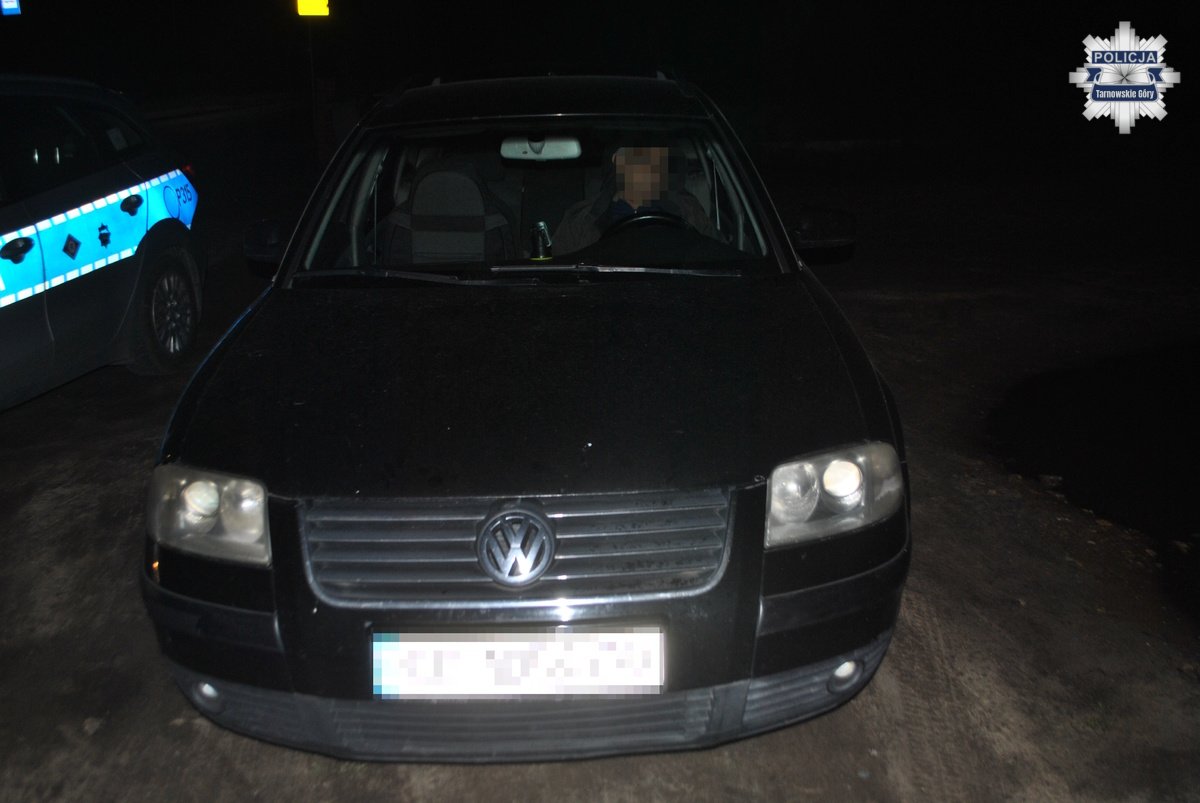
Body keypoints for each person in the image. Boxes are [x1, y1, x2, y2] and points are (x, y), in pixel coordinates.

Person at [552, 145, 716, 254]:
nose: (646, 167)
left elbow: (716, 258)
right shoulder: (581, 220)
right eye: (637, 158)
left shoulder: (688, 212)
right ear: (617, 160)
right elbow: (560, 275)